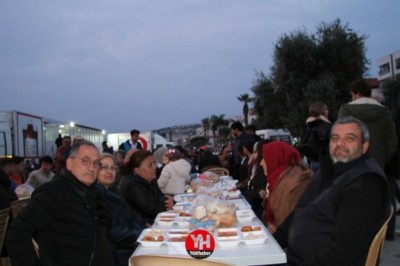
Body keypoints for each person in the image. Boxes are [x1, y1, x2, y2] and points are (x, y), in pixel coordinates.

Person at [273, 116, 391, 265]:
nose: (340, 144)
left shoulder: (365, 183)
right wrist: (271, 246)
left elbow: (342, 250)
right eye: (335, 138)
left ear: (365, 146)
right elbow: (299, 212)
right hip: (293, 257)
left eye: (350, 138)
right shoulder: (330, 171)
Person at [6, 140, 116, 266]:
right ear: (69, 163)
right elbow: (17, 232)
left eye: (96, 163)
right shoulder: (53, 193)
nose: (92, 167)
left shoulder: (93, 193)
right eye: (85, 161)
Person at [95, 153, 143, 266]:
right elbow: (112, 231)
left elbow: (129, 216)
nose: (109, 171)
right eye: (104, 167)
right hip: (115, 254)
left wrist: (144, 225)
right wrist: (141, 233)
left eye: (113, 168)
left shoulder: (113, 191)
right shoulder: (96, 195)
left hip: (128, 244)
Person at [338, 79, 397, 168]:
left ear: (357, 93)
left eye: (352, 95)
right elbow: (391, 140)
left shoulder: (345, 110)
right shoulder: (384, 111)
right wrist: (383, 158)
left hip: (353, 164)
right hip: (378, 163)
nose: (352, 98)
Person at [261, 141, 312, 233]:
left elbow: (288, 224)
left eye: (264, 158)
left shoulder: (292, 182)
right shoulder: (280, 178)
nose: (261, 163)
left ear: (275, 158)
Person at [118, 150, 174, 226]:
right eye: (150, 165)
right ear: (136, 170)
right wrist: (167, 203)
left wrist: (169, 201)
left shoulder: (149, 180)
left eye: (155, 163)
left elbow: (161, 197)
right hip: (140, 226)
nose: (155, 167)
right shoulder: (134, 184)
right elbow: (151, 209)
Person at [299, 101, 331, 172]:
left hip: (311, 161)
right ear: (321, 111)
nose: (328, 111)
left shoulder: (308, 126)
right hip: (324, 162)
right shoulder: (325, 126)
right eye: (326, 109)